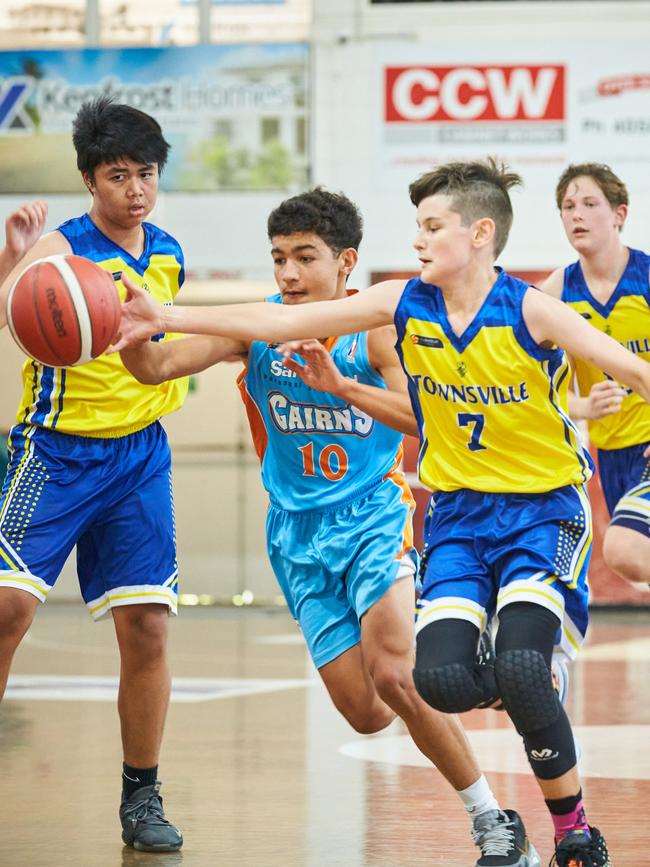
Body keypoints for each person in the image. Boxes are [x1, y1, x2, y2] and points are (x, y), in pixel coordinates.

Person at [113, 158, 649, 867]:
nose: (420, 240)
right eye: (278, 258)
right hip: (377, 523)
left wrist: (343, 387)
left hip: (462, 514)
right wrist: (150, 318)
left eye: (432, 227)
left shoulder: (489, 313)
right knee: (402, 696)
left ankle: (534, 823)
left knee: (447, 671)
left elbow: (622, 373)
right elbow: (242, 332)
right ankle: (519, 679)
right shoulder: (380, 306)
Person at [0, 96, 187, 852]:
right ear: (89, 179)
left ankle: (141, 796)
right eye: (119, 175)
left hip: (139, 455)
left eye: (146, 174)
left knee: (145, 626)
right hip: (54, 453)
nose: (136, 189)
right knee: (6, 612)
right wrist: (12, 261)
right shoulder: (56, 252)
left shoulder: (169, 251)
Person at [540, 163, 650, 586]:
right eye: (568, 207)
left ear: (620, 214)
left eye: (589, 204)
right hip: (613, 454)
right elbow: (534, 394)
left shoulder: (644, 277)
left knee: (624, 549)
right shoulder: (555, 292)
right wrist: (582, 406)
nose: (577, 215)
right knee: (631, 558)